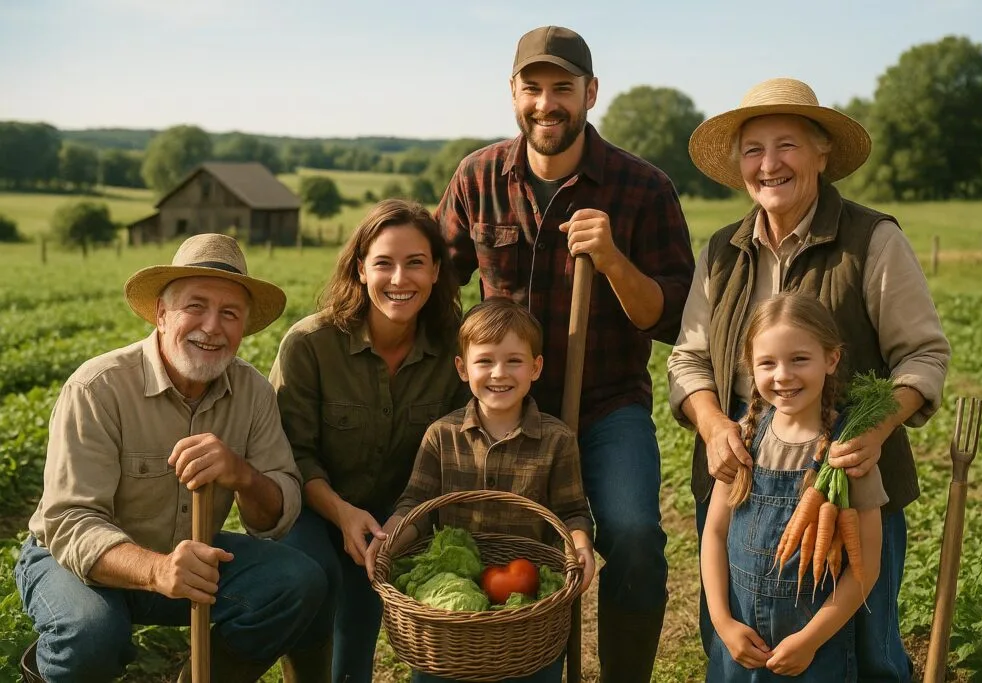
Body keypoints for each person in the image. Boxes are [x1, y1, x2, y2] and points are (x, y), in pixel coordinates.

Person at [667, 78, 951, 680]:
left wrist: (874, 431)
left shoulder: (872, 240)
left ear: (821, 152)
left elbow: (923, 356)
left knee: (862, 648)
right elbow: (688, 359)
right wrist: (715, 426)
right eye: (753, 149)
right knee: (736, 644)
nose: (769, 164)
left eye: (787, 145)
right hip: (740, 475)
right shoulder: (721, 251)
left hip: (845, 482)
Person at [436, 25, 694, 681]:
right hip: (508, 411)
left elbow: (670, 317)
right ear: (514, 93)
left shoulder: (643, 188)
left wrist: (611, 260)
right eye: (533, 87)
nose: (546, 103)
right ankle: (506, 663)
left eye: (562, 89)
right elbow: (437, 288)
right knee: (503, 545)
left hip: (608, 406)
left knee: (634, 536)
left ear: (591, 93)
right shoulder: (477, 178)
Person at [14, 234, 326, 683]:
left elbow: (275, 515)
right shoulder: (98, 388)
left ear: (244, 328)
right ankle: (56, 661)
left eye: (230, 313)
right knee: (91, 632)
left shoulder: (253, 393)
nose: (212, 327)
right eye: (195, 307)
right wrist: (157, 569)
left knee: (299, 582)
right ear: (161, 313)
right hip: (74, 560)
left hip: (184, 559)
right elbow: (71, 521)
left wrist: (241, 474)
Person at [270, 199, 465, 683]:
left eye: (416, 263)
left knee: (362, 634)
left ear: (437, 271)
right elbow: (292, 454)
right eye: (383, 263)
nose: (400, 279)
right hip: (315, 512)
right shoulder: (310, 345)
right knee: (314, 584)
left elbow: (462, 454)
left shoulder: (457, 350)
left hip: (406, 516)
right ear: (360, 269)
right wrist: (341, 513)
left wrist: (406, 519)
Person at [368, 297, 596, 683]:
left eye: (514, 361)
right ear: (462, 368)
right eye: (485, 361)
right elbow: (416, 506)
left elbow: (572, 510)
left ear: (536, 368)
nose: (499, 373)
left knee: (533, 671)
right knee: (439, 673)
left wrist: (581, 546)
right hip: (453, 597)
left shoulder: (557, 440)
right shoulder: (442, 436)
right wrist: (388, 537)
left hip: (530, 596)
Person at [703, 292, 884, 681]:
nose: (783, 375)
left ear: (831, 359)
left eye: (799, 359)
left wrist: (810, 640)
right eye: (767, 363)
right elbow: (714, 535)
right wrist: (722, 623)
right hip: (741, 648)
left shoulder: (849, 454)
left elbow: (865, 567)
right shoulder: (743, 442)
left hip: (817, 653)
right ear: (750, 368)